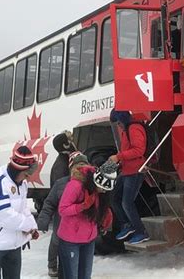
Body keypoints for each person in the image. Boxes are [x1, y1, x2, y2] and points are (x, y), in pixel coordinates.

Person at [0, 146, 40, 279]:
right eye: (26, 175)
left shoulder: (21, 183)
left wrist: (32, 226)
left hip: (13, 244)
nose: (28, 179)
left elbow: (23, 208)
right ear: (17, 170)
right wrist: (27, 226)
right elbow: (4, 215)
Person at [57, 161, 114, 279]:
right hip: (70, 240)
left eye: (105, 190)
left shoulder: (101, 191)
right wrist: (82, 206)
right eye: (101, 188)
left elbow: (99, 206)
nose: (103, 191)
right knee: (71, 275)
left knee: (85, 275)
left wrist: (103, 215)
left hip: (89, 239)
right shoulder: (76, 185)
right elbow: (62, 209)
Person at [37, 151, 89, 278]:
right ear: (71, 167)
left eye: (84, 165)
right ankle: (53, 265)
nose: (81, 169)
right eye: (77, 166)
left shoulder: (90, 184)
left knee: (80, 267)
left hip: (84, 232)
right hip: (63, 227)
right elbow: (49, 203)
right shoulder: (61, 184)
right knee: (58, 249)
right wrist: (43, 220)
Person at [108, 109, 150, 245]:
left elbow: (139, 150)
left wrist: (119, 156)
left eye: (118, 122)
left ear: (123, 119)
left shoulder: (134, 128)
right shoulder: (126, 129)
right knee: (114, 197)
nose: (118, 126)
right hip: (127, 170)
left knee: (127, 202)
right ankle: (127, 225)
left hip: (135, 171)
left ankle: (141, 231)